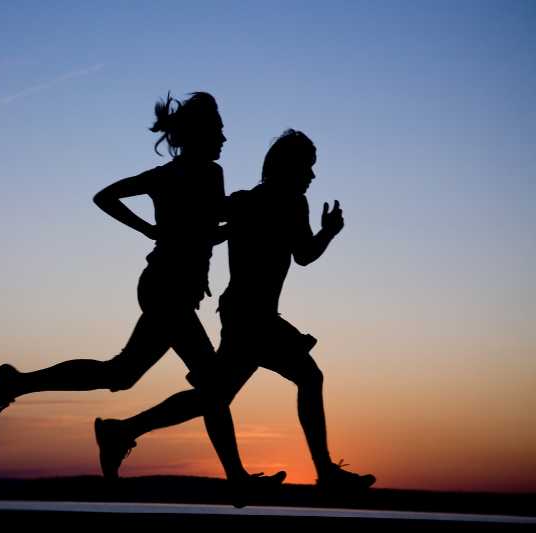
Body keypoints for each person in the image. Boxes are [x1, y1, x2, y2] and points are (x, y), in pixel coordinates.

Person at [94, 130, 376, 492]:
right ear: (290, 167)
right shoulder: (280, 203)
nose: (312, 176)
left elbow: (296, 252)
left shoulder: (253, 202)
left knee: (213, 397)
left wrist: (326, 232)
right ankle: (325, 472)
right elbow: (304, 254)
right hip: (252, 318)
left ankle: (122, 431)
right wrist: (329, 233)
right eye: (308, 167)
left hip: (244, 315)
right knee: (306, 377)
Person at [0, 93, 234, 449]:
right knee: (213, 384)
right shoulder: (182, 176)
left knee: (122, 374)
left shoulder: (201, 174)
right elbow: (105, 197)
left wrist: (228, 225)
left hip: (174, 291)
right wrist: (151, 230)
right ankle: (231, 480)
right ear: (200, 134)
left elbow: (206, 232)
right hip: (165, 290)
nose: (224, 139)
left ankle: (18, 384)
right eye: (218, 130)